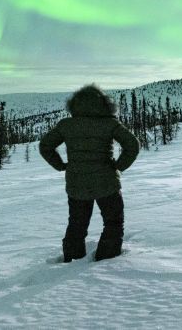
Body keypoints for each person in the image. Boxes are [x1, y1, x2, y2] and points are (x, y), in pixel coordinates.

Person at [38, 84, 140, 262]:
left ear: (75, 104)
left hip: (76, 183)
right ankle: (107, 259)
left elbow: (45, 146)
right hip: (107, 182)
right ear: (103, 104)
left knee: (77, 225)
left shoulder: (66, 125)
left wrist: (61, 165)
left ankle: (71, 260)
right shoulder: (110, 123)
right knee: (113, 222)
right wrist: (118, 166)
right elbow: (132, 144)